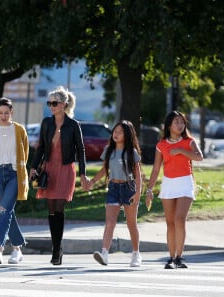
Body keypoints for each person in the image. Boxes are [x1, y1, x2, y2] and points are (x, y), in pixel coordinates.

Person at [29, 86, 87, 265]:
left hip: (65, 168)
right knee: (51, 209)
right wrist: (33, 167)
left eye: (54, 103)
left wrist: (83, 174)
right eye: (49, 103)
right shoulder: (47, 123)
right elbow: (41, 147)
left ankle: (56, 250)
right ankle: (57, 247)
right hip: (49, 168)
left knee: (59, 208)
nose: (51, 106)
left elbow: (81, 150)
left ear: (64, 105)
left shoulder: (73, 125)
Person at [145, 110, 203, 269]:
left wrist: (181, 151)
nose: (180, 124)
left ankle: (180, 257)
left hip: (185, 182)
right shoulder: (161, 145)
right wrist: (149, 190)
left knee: (179, 219)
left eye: (182, 122)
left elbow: (199, 157)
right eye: (177, 122)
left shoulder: (189, 141)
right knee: (170, 223)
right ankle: (171, 258)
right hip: (169, 184)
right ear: (169, 125)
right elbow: (156, 170)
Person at [86, 120, 142, 267]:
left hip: (129, 188)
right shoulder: (109, 150)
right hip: (113, 189)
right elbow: (104, 170)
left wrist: (138, 193)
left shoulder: (132, 152)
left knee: (131, 223)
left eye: (120, 132)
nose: (116, 134)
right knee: (110, 223)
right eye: (115, 131)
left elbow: (138, 174)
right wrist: (92, 182)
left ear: (127, 135)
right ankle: (104, 254)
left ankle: (136, 254)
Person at [0, 97, 29, 264]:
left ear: (12, 113)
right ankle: (17, 249)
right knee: (7, 211)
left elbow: (24, 152)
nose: (3, 116)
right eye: (0, 113)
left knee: (4, 209)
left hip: (13, 174)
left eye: (7, 113)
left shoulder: (19, 129)